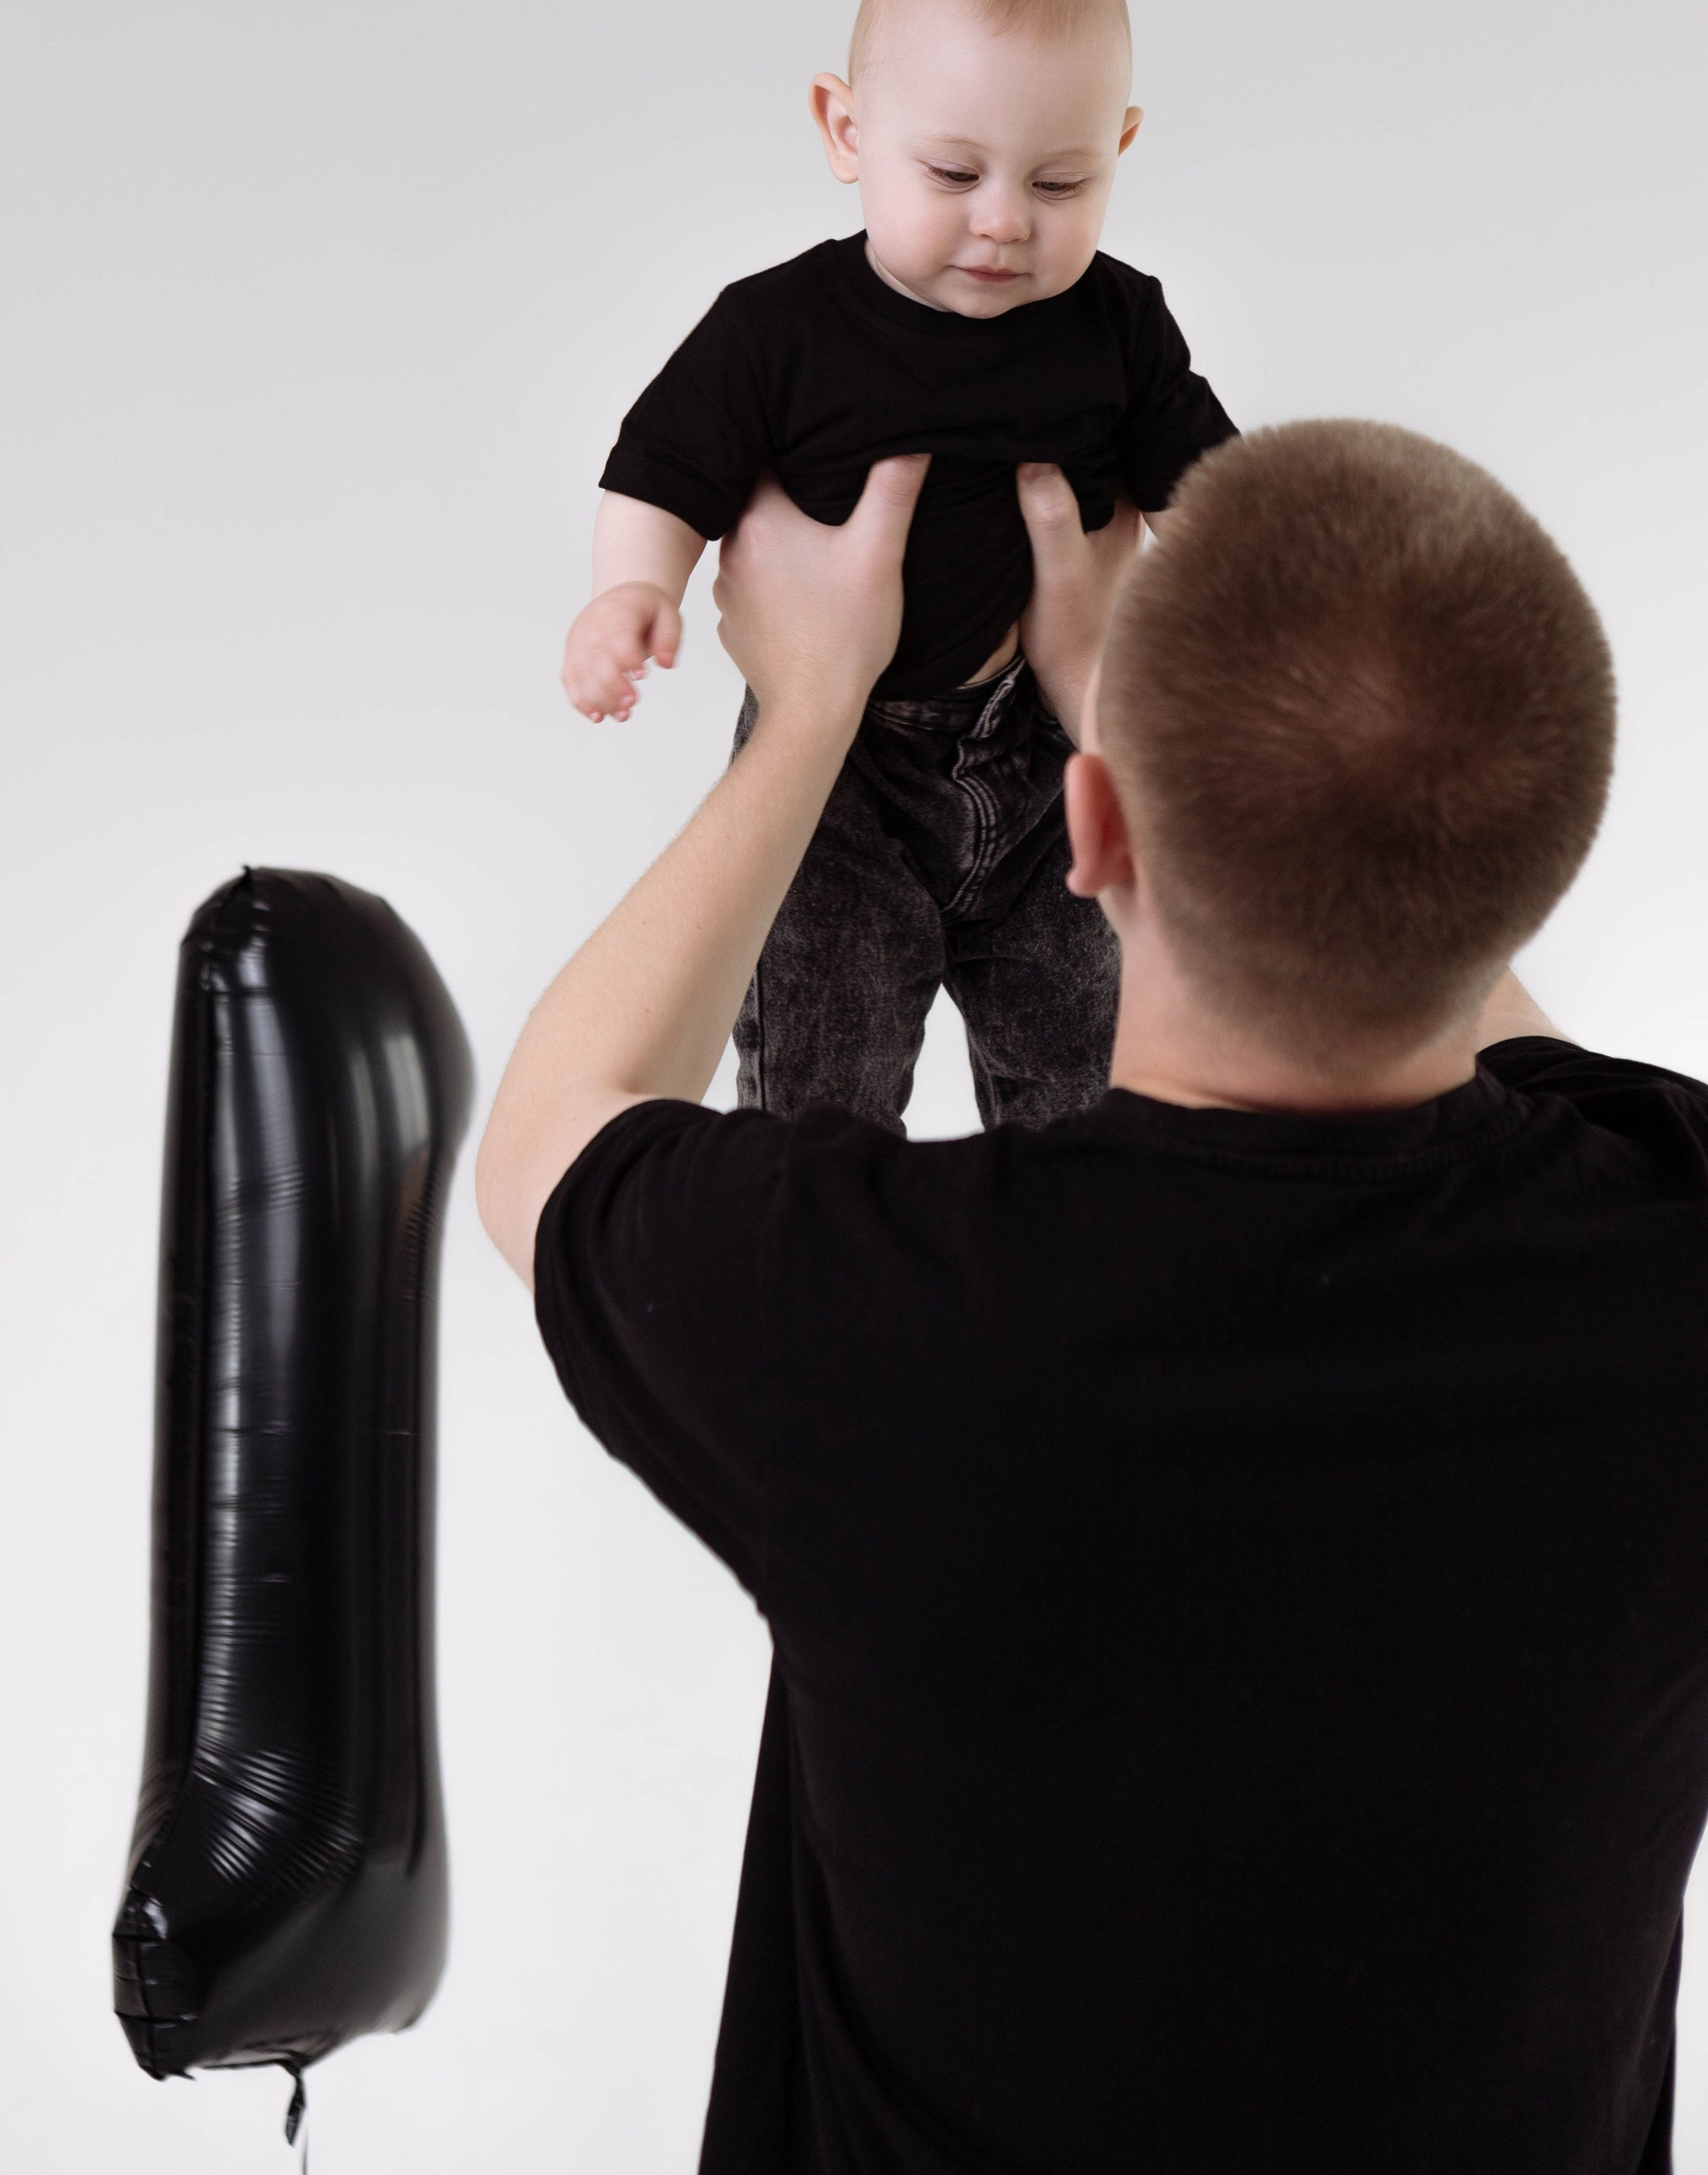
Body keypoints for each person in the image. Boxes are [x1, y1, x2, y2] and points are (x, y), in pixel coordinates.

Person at [481, 420, 1708, 2175]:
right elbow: (1503, 1002)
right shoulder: (1666, 1253)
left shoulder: (882, 1323)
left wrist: (808, 717)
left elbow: (545, 1139)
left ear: (1092, 828)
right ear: (1541, 865)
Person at [562, 0, 1235, 1133]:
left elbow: (1219, 502)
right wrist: (632, 590)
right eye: (952, 171)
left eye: (1059, 180)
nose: (1003, 221)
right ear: (845, 127)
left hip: (1050, 761)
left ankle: (1064, 1290)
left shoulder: (1119, 325)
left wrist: (1261, 615)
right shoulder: (779, 330)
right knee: (821, 1088)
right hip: (841, 783)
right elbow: (660, 471)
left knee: (1089, 1079)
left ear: (1121, 150)